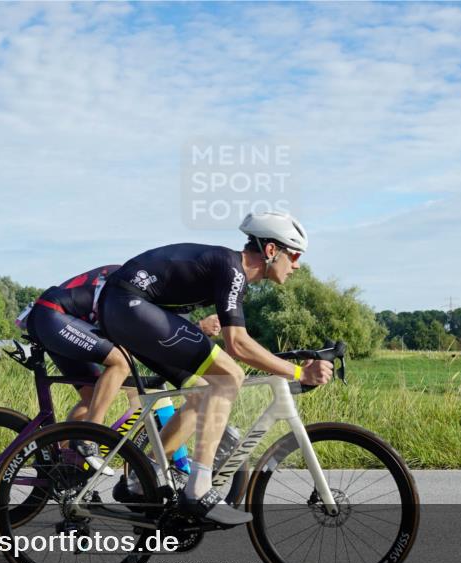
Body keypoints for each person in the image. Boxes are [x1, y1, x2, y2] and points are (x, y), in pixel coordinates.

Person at [99, 212, 333, 525]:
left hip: (126, 307)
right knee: (229, 377)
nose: (297, 265)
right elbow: (237, 344)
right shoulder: (232, 269)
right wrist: (298, 373)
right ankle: (198, 489)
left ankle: (143, 480)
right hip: (128, 303)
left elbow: (236, 340)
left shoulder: (233, 275)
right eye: (294, 255)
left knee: (202, 394)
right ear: (271, 251)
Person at [26, 265, 220, 472]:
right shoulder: (143, 286)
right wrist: (199, 328)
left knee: (92, 397)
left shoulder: (148, 282)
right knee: (120, 362)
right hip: (53, 314)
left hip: (54, 318)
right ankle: (90, 439)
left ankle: (66, 465)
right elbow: (159, 331)